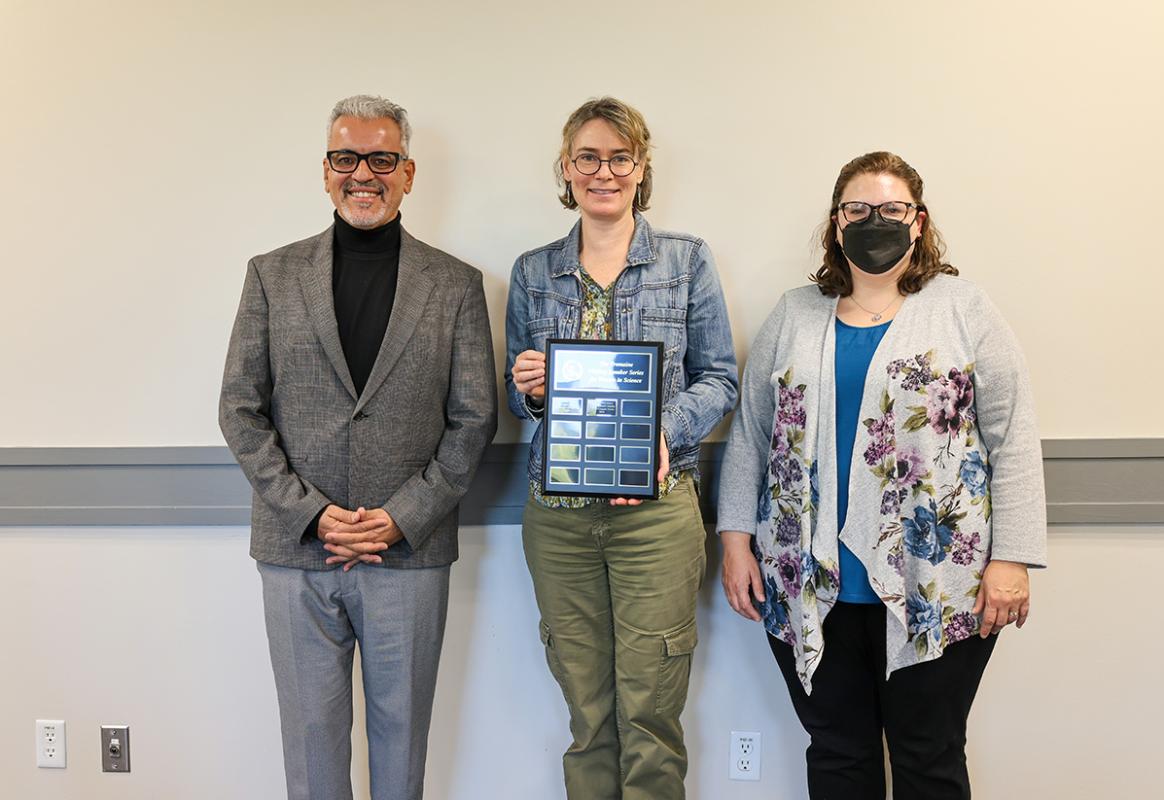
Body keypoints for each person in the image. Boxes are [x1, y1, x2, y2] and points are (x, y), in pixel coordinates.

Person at [718, 151, 1046, 800]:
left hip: (941, 580)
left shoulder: (963, 310)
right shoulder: (794, 313)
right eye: (857, 209)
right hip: (810, 579)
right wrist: (733, 541)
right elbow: (752, 435)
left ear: (918, 222)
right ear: (836, 224)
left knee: (928, 755)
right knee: (838, 755)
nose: (875, 221)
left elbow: (1012, 439)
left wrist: (1013, 558)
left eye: (891, 209)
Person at [218, 94, 497, 800]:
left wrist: (401, 517)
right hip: (296, 551)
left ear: (408, 173)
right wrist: (312, 514)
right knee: (310, 754)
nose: (362, 173)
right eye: (347, 157)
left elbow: (473, 420)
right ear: (325, 170)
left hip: (407, 550)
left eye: (380, 158)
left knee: (402, 753)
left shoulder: (457, 285)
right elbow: (240, 410)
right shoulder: (270, 276)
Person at [505, 97, 737, 799]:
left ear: (640, 169)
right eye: (587, 157)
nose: (602, 172)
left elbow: (721, 378)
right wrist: (531, 387)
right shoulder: (533, 271)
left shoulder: (686, 260)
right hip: (560, 518)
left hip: (656, 515)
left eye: (619, 157)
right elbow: (521, 400)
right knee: (588, 712)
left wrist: (660, 432)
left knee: (650, 711)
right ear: (566, 168)